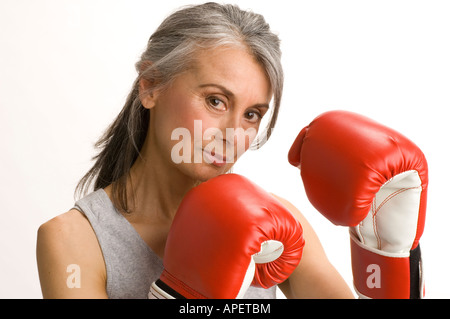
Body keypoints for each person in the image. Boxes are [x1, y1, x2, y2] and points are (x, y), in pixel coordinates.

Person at [36, 2, 354, 299]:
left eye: (252, 114)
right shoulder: (74, 239)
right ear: (150, 86)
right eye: (215, 101)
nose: (232, 134)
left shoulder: (278, 225)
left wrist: (387, 250)